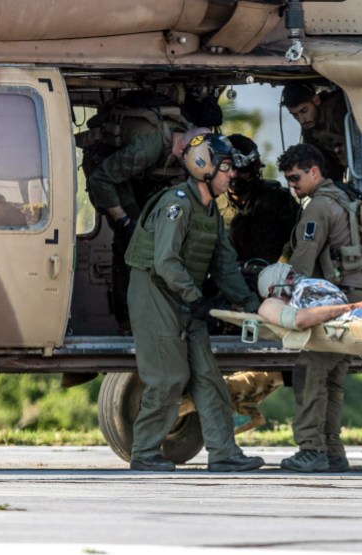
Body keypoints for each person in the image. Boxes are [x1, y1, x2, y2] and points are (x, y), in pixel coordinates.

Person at [124, 132, 264, 472]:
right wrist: (195, 298)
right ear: (204, 167)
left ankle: (224, 453)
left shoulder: (209, 212)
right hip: (155, 293)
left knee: (207, 376)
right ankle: (144, 452)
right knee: (168, 376)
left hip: (187, 297)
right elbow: (165, 262)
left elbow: (225, 263)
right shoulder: (177, 204)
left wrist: (249, 304)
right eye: (226, 168)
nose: (232, 176)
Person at [274, 144, 362, 472]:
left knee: (310, 374)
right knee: (332, 379)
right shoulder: (345, 199)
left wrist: (283, 297)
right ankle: (332, 450)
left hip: (332, 302)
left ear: (314, 171)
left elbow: (303, 260)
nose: (292, 185)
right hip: (354, 298)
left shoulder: (318, 206)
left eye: (296, 177)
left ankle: (311, 449)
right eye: (288, 180)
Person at [85, 104, 197, 335]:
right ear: (184, 148)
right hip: (104, 168)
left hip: (135, 172)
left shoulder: (182, 141)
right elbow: (100, 180)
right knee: (132, 240)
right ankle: (128, 323)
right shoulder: (147, 148)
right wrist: (123, 221)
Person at [216, 134, 300, 264]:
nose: (234, 175)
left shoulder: (277, 198)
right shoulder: (212, 202)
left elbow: (297, 238)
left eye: (241, 170)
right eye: (229, 168)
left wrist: (280, 268)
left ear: (254, 170)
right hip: (227, 275)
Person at [257, 262, 362, 332]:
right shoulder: (310, 285)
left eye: (291, 276)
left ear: (272, 290)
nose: (292, 279)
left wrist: (353, 307)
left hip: (348, 330)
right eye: (289, 277)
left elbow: (300, 320)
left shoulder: (303, 290)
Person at [281, 83, 348, 182]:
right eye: (295, 115)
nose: (302, 119)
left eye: (304, 111)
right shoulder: (310, 127)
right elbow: (320, 163)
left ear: (316, 100)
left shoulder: (338, 112)